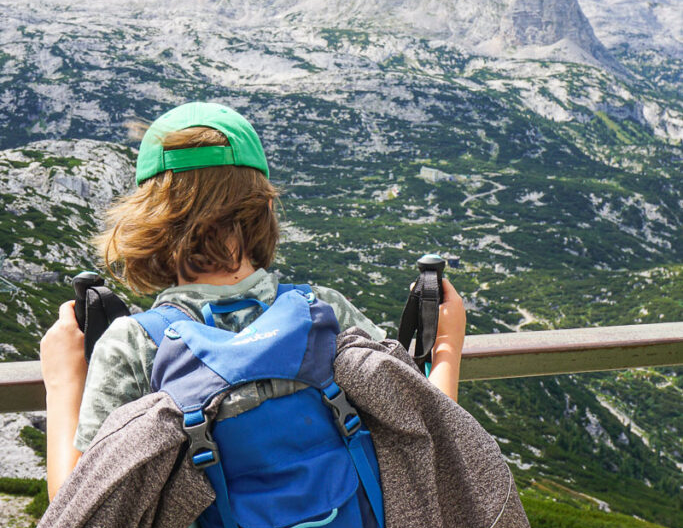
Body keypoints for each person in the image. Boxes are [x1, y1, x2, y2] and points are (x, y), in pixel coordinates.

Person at [39, 100, 467, 503]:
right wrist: (445, 346)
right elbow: (431, 443)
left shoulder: (133, 345)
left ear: (149, 218)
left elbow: (75, 510)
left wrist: (62, 384)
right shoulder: (326, 311)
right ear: (261, 210)